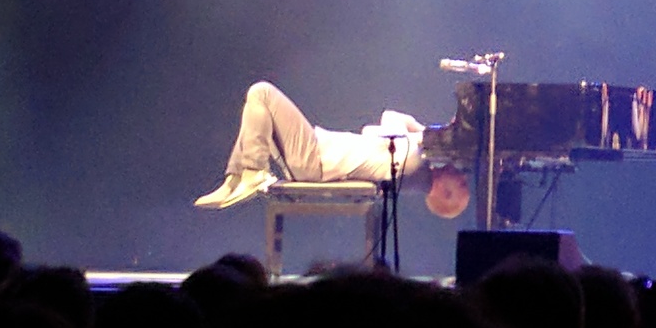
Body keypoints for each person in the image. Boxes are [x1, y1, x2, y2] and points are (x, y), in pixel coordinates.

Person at [194, 81, 470, 217]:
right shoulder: (409, 162)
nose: (460, 174)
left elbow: (391, 120)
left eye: (460, 184)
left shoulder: (412, 163)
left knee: (262, 92)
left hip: (314, 157)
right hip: (313, 155)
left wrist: (421, 134)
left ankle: (252, 171)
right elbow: (381, 123)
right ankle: (236, 176)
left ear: (444, 193)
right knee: (259, 105)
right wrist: (421, 133)